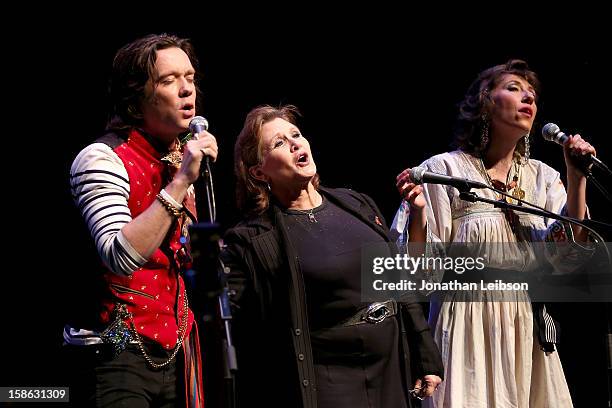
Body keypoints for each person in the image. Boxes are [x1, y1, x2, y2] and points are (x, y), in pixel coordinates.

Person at [392, 59, 596, 407]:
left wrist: (577, 177)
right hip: (467, 325)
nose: (528, 99)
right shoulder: (444, 170)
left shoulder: (543, 177)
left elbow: (567, 256)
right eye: (515, 89)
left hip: (526, 326)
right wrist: (419, 215)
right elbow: (417, 271)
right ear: (486, 101)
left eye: (532, 94)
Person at [220, 104, 443, 408]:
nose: (295, 143)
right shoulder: (254, 238)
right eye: (279, 143)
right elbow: (236, 324)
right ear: (259, 171)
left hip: (390, 367)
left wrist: (426, 355)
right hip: (329, 380)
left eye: (296, 134)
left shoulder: (355, 203)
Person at [64, 33, 218, 407]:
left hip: (177, 351)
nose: (186, 90)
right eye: (169, 81)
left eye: (190, 77)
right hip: (115, 351)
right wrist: (182, 182)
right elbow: (119, 254)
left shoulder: (182, 160)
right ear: (136, 97)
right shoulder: (101, 158)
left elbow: (187, 259)